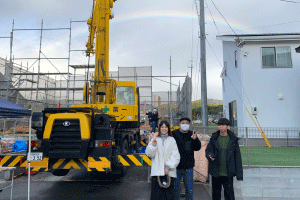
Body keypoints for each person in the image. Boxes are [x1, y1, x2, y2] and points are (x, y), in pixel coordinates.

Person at [205, 118, 243, 200]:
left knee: (229, 196)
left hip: (228, 172)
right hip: (216, 172)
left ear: (228, 126)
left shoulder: (233, 139)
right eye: (219, 125)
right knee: (216, 195)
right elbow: (208, 150)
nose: (221, 127)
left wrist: (239, 174)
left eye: (223, 125)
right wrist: (210, 155)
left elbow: (237, 156)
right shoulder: (214, 138)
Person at [146, 120, 180, 200]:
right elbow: (149, 154)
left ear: (168, 128)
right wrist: (153, 145)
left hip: (169, 174)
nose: (164, 129)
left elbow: (176, 156)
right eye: (162, 127)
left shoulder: (172, 140)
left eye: (166, 127)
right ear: (159, 128)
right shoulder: (155, 139)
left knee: (169, 196)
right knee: (156, 196)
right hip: (157, 173)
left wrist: (167, 167)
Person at [172, 117, 201, 200]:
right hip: (176, 166)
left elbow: (197, 148)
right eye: (183, 123)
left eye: (187, 123)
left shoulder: (192, 134)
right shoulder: (174, 134)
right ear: (180, 124)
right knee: (175, 189)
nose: (185, 124)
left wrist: (195, 140)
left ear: (189, 125)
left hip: (188, 167)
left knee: (189, 189)